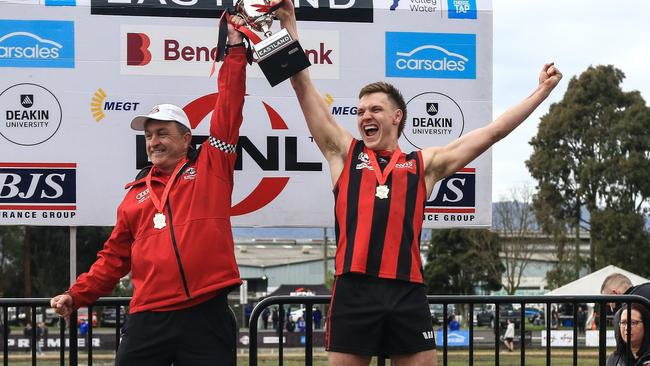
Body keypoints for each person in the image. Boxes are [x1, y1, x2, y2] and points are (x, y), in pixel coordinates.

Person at [275, 1, 562, 364]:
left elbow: (491, 133)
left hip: (406, 291)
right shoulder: (345, 154)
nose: (365, 116)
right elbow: (302, 86)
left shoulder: (422, 165)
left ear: (397, 117)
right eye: (361, 111)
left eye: (375, 110)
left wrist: (541, 92)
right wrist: (289, 23)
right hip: (353, 290)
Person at [49, 17, 249, 366]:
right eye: (148, 135)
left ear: (187, 138)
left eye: (162, 133)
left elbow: (229, 106)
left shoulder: (212, 168)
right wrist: (76, 294)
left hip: (205, 312)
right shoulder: (134, 195)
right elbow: (113, 259)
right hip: (149, 316)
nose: (154, 141)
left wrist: (233, 48)